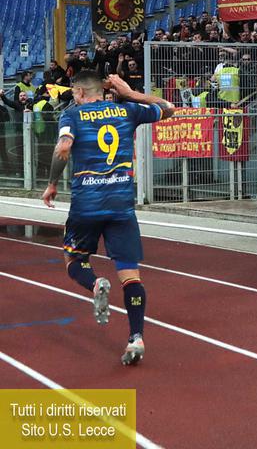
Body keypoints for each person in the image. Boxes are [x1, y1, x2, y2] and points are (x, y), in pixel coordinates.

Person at [42, 71, 174, 366]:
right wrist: (130, 93)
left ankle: (95, 283)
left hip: (86, 206)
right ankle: (136, 337)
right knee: (130, 275)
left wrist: (51, 184)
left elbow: (63, 147)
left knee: (74, 259)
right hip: (121, 206)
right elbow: (168, 108)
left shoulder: (72, 116)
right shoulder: (127, 110)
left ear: (79, 92)